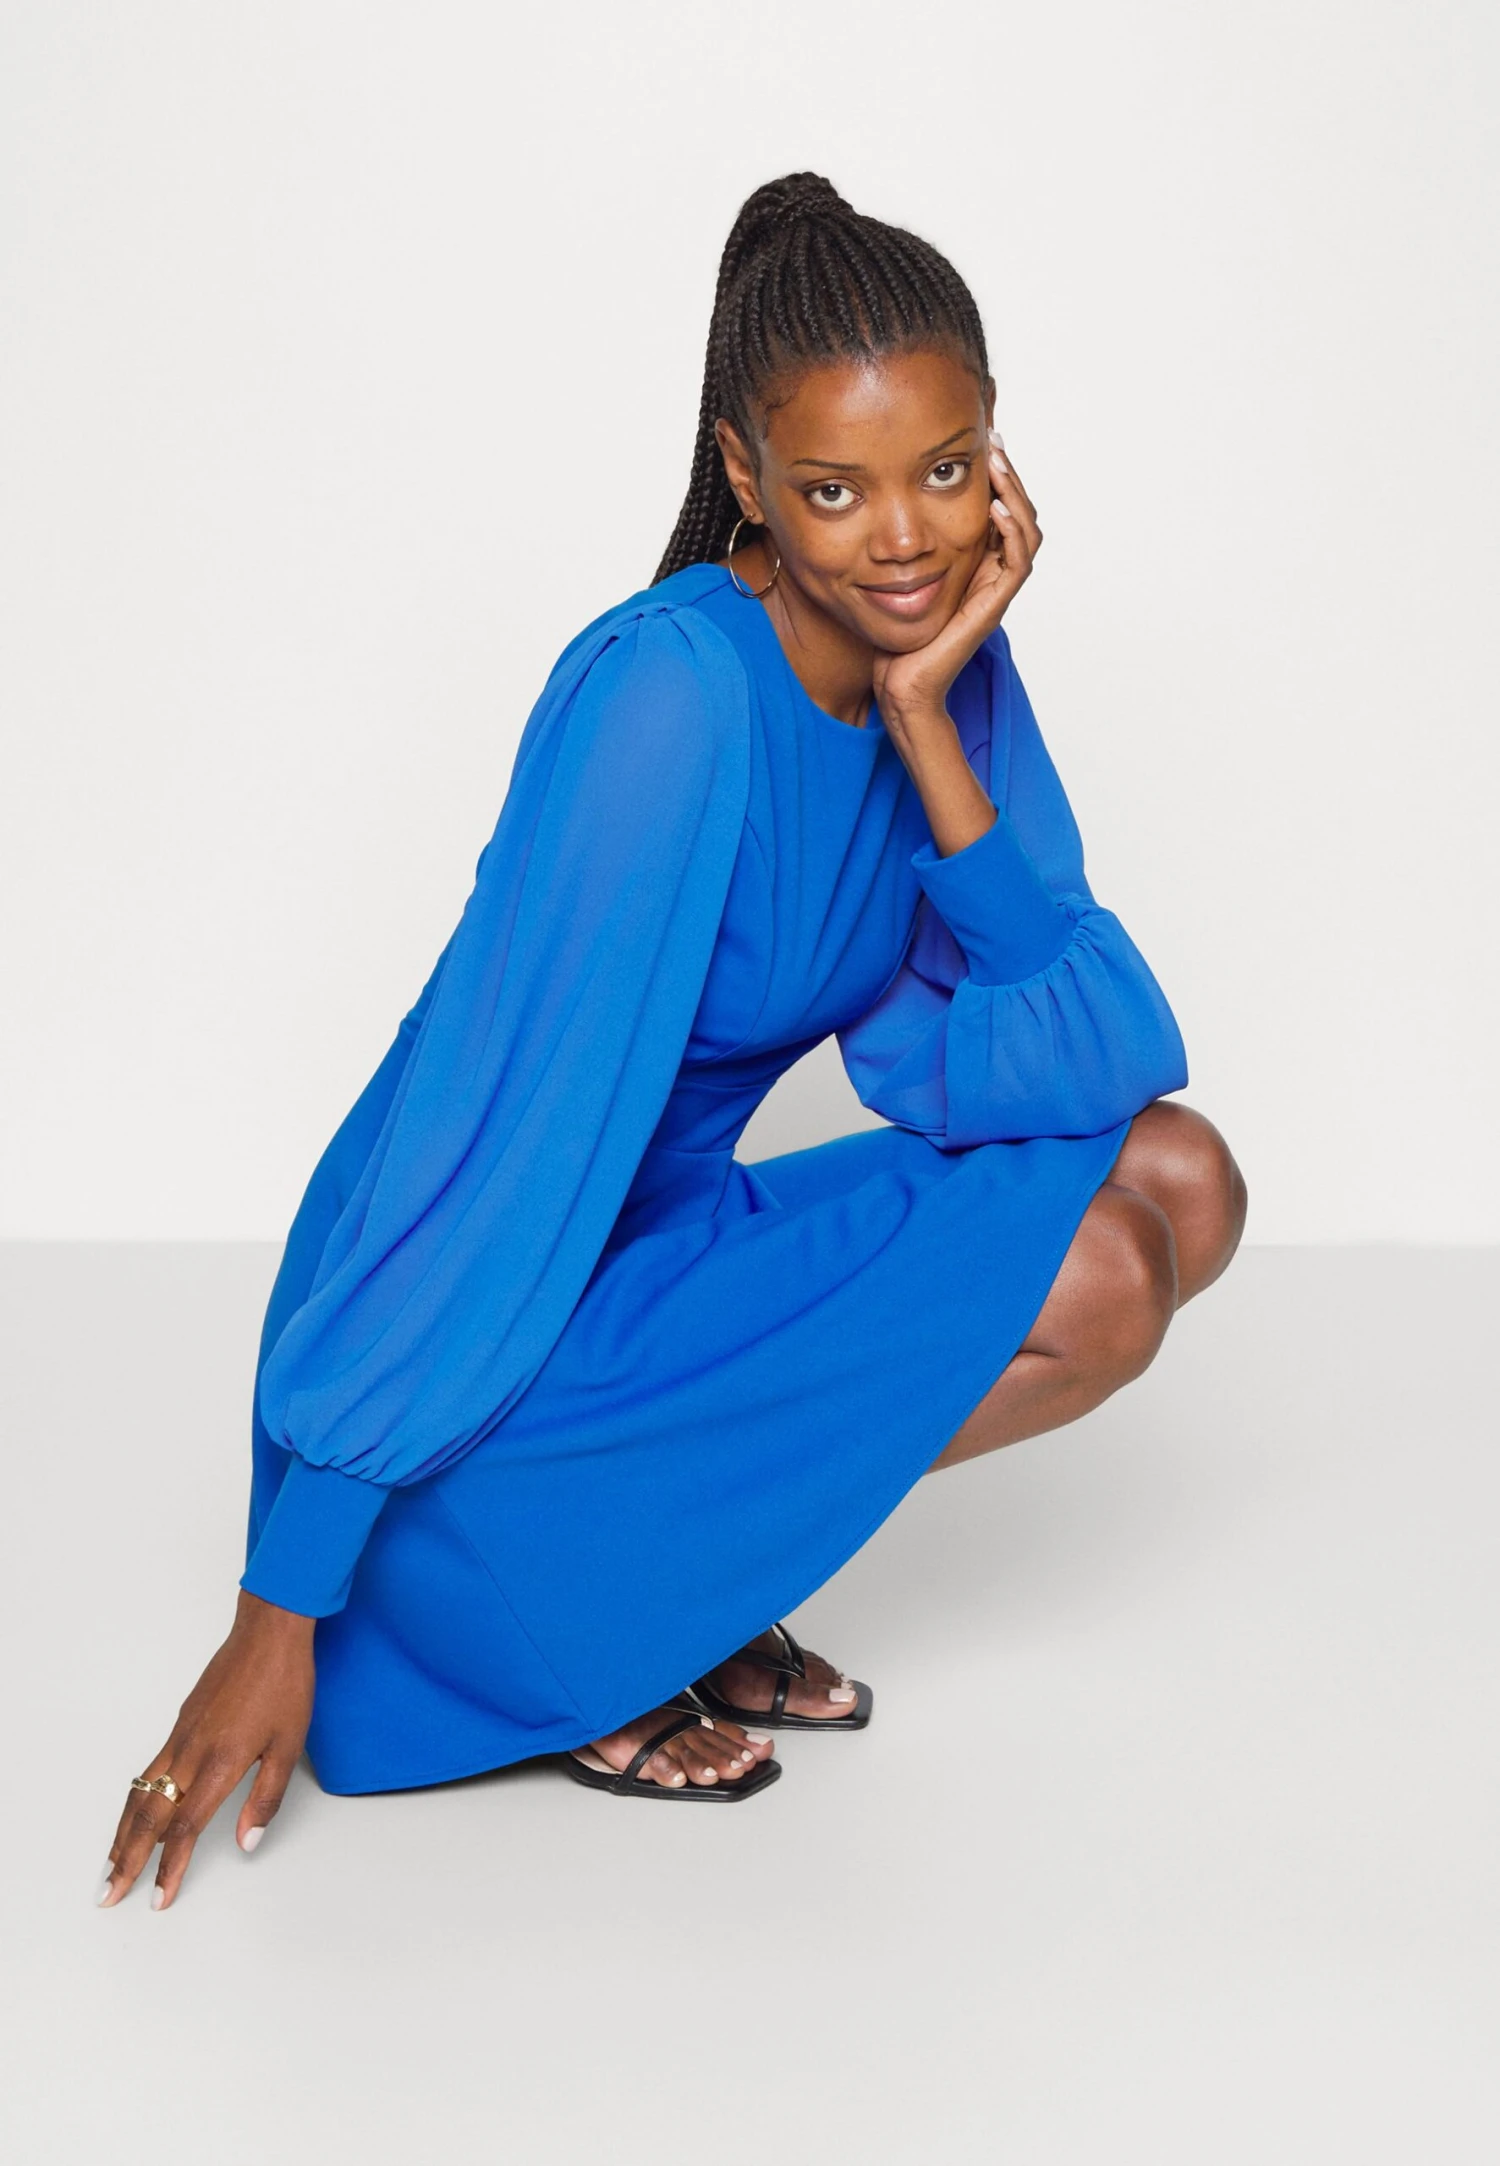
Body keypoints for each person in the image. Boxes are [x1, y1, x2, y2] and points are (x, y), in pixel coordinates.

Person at [101, 171, 1245, 1909]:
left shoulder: (941, 662)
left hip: (663, 1264)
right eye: (835, 489)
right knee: (1098, 1276)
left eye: (946, 470)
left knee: (1185, 1182)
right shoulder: (664, 701)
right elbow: (492, 1149)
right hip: (497, 1314)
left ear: (999, 457)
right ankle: (576, 1599)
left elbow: (1098, 1056)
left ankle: (669, 1565)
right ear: (746, 477)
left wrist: (930, 721)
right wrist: (284, 1592)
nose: (906, 539)